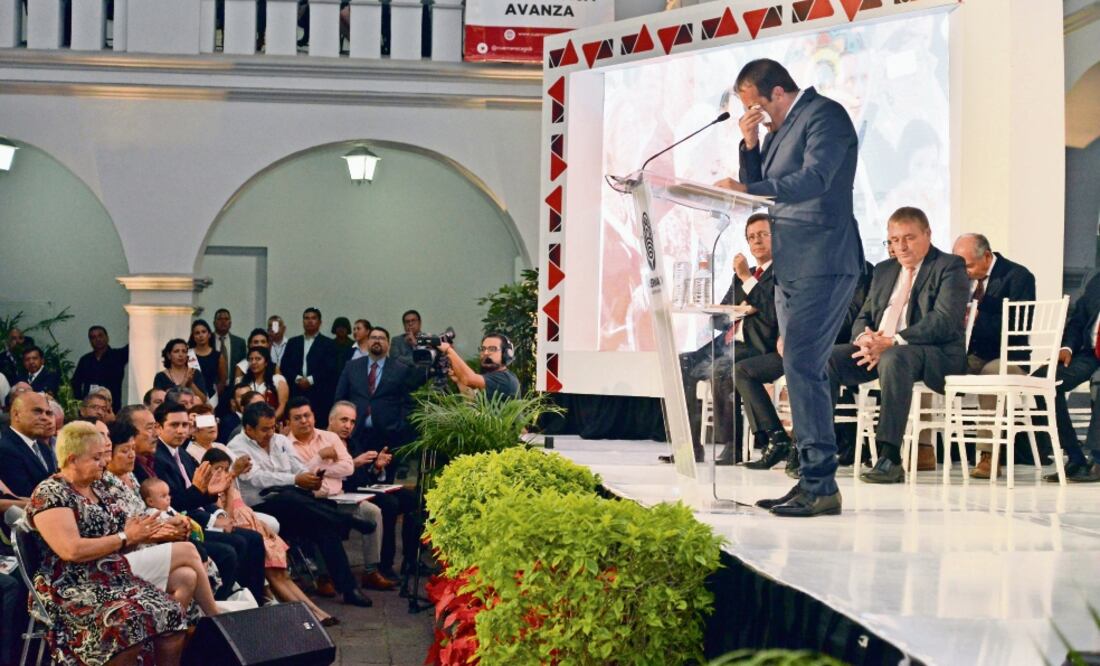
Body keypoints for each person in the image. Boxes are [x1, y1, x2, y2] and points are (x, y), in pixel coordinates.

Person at [715, 58, 863, 518]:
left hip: (824, 257)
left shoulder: (824, 115)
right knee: (800, 365)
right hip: (792, 265)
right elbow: (761, 188)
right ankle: (811, 481)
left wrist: (749, 184)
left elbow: (816, 179)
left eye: (754, 107)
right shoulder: (778, 129)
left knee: (800, 362)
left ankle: (820, 483)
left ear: (777, 93)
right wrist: (751, 142)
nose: (753, 114)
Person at [26, 421, 192, 665]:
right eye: (96, 458)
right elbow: (71, 550)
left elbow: (125, 537)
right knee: (126, 624)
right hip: (70, 584)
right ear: (72, 459)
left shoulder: (98, 489)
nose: (104, 463)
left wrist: (157, 530)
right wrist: (125, 537)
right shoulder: (50, 493)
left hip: (112, 575)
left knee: (172, 615)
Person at [827, 208, 968, 484]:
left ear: (928, 234)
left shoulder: (950, 266)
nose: (900, 247)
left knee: (893, 357)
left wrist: (893, 341)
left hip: (932, 354)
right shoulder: (884, 270)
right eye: (893, 240)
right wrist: (864, 339)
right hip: (882, 350)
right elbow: (864, 316)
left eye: (908, 238)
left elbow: (944, 321)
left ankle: (889, 456)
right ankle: (816, 449)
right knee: (828, 359)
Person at [227, 402, 374, 608]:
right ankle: (345, 519)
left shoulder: (280, 440)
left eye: (273, 427)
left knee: (324, 526)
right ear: (248, 429)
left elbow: (300, 467)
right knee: (289, 497)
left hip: (294, 504)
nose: (271, 433)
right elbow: (257, 478)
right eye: (264, 429)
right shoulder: (236, 447)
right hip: (263, 507)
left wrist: (307, 478)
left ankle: (349, 589)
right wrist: (295, 479)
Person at [199, 447, 339, 625]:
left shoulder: (231, 484)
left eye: (225, 469)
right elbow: (226, 518)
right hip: (240, 527)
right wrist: (226, 491)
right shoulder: (212, 491)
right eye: (216, 469)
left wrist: (261, 523)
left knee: (283, 575)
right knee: (275, 576)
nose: (222, 473)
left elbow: (245, 508)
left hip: (253, 523)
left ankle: (315, 610)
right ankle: (308, 615)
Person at [146, 401, 267, 603]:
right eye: (174, 425)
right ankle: (218, 605)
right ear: (159, 427)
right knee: (233, 546)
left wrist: (218, 515)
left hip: (201, 515)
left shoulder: (182, 454)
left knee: (254, 539)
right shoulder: (158, 458)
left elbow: (203, 492)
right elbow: (173, 502)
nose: (180, 430)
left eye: (184, 425)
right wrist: (212, 521)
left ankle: (254, 602)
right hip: (184, 522)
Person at [681, 213, 778, 465]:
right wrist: (737, 309)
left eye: (763, 235)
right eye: (751, 237)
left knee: (721, 369)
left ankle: (732, 445)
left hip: (758, 346)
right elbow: (719, 319)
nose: (756, 241)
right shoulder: (743, 275)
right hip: (727, 341)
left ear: (776, 237)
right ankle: (690, 446)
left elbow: (773, 312)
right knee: (683, 363)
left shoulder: (780, 273)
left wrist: (747, 279)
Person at [100, 421, 220, 618]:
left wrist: (170, 521)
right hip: (130, 549)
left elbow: (149, 509)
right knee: (193, 550)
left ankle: (175, 628)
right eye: (124, 450)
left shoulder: (131, 475)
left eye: (132, 449)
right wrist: (158, 531)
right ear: (108, 455)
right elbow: (126, 525)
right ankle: (216, 618)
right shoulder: (105, 484)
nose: (131, 454)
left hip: (148, 537)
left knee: (188, 575)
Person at [285, 397, 394, 591]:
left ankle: (371, 570)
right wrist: (320, 457)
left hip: (340, 496)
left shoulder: (330, 438)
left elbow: (348, 467)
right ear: (289, 422)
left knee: (373, 512)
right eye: (298, 417)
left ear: (314, 417)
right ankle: (324, 576)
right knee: (320, 518)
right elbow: (300, 476)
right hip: (313, 499)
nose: (304, 421)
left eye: (307, 415)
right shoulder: (285, 445)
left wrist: (319, 466)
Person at [952, 233, 1037, 478]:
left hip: (1007, 355)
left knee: (992, 375)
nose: (964, 272)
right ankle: (924, 449)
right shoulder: (959, 280)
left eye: (968, 265)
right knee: (932, 365)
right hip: (971, 353)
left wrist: (976, 318)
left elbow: (1017, 326)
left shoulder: (1018, 276)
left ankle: (988, 455)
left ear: (987, 256)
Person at [329, 400, 422, 579]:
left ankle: (411, 559)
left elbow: (365, 476)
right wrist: (354, 464)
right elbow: (327, 475)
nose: (348, 426)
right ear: (331, 419)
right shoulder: (324, 441)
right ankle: (383, 565)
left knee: (412, 498)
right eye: (343, 420)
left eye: (352, 422)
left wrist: (377, 467)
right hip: (344, 494)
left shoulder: (353, 442)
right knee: (390, 504)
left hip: (364, 488)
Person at [1034, 271, 1100, 483]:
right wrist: (1068, 347)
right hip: (1090, 352)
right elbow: (1078, 320)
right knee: (1043, 381)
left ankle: (1098, 461)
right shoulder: (1097, 281)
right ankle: (1074, 456)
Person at [335, 326, 423, 455]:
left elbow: (409, 402)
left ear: (388, 343)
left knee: (386, 474)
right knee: (356, 473)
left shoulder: (401, 369)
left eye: (381, 338)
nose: (377, 341)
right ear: (368, 342)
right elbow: (340, 398)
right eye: (373, 337)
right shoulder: (352, 366)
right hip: (356, 433)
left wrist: (400, 425)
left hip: (389, 434)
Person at [280, 307, 339, 429]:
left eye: (313, 318)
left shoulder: (329, 344)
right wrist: (298, 379)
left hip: (320, 393)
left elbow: (330, 368)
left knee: (318, 427)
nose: (309, 321)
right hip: (296, 391)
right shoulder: (293, 342)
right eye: (306, 318)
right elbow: (285, 365)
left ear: (320, 322)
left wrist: (310, 380)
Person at [0, 392, 58, 498]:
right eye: (37, 411)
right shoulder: (4, 449)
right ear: (16, 415)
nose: (45, 417)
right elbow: (22, 495)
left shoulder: (43, 447)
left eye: (48, 413)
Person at [440, 333, 521, 400]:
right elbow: (472, 402)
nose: (485, 353)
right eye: (483, 349)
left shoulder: (505, 379)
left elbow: (469, 379)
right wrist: (459, 381)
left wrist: (448, 350)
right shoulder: (491, 377)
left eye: (492, 349)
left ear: (506, 354)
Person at [71, 325, 129, 410]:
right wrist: (80, 402)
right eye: (93, 337)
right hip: (89, 408)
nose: (97, 339)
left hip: (112, 407)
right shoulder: (85, 360)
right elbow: (76, 382)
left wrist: (134, 329)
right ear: (90, 341)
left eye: (100, 336)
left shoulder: (118, 355)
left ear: (107, 337)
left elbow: (135, 345)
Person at [239, 345, 289, 421]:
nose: (253, 362)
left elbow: (282, 406)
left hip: (273, 423)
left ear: (266, 362)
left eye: (258, 359)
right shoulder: (243, 382)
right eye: (250, 359)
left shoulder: (277, 379)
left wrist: (269, 422)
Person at [153, 339, 209, 403]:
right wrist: (185, 381)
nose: (181, 355)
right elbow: (161, 401)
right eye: (176, 351)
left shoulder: (195, 373)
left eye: (184, 351)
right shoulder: (160, 377)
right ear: (168, 355)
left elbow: (203, 400)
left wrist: (191, 384)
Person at [189, 319, 227, 409]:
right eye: (197, 333)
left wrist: (215, 395)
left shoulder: (218, 356)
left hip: (212, 397)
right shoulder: (188, 355)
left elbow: (222, 380)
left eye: (203, 332)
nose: (201, 335)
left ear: (209, 334)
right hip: (192, 396)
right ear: (193, 337)